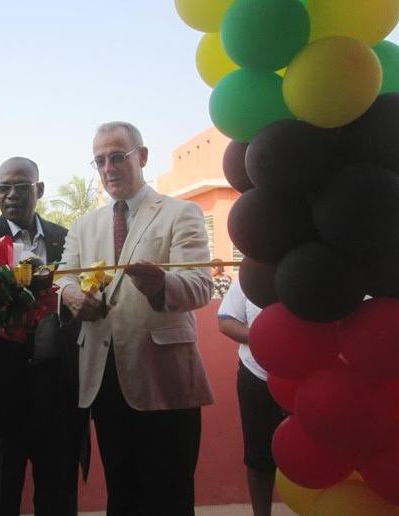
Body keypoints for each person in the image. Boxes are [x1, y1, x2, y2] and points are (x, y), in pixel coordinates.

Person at [57, 121, 214, 516]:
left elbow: (200, 286)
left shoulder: (182, 213)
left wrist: (161, 285)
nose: (108, 168)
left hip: (164, 376)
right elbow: (64, 277)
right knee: (122, 495)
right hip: (103, 377)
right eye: (99, 161)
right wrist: (71, 295)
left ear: (141, 157)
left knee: (169, 496)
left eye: (117, 157)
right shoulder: (84, 225)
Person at [0, 156, 80, 516]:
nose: (11, 195)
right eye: (3, 188)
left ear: (40, 189)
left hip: (55, 387)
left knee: (57, 494)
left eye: (21, 187)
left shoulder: (67, 240)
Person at [217, 278, 285, 516]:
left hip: (311, 380)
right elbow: (226, 321)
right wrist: (261, 339)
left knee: (318, 452)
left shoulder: (317, 274)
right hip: (257, 376)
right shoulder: (250, 277)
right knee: (258, 455)